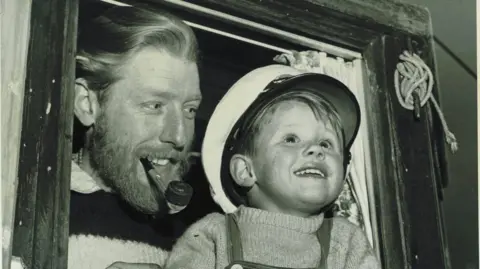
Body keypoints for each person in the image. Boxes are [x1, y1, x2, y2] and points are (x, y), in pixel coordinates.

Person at [165, 64, 381, 269]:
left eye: (326, 143)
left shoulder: (345, 242)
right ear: (245, 171)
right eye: (291, 139)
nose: (316, 150)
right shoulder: (212, 235)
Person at [69, 6, 201, 269]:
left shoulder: (201, 240)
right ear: (87, 104)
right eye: (154, 105)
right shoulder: (26, 206)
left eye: (190, 110)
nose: (179, 136)